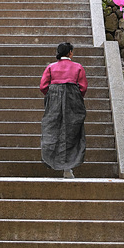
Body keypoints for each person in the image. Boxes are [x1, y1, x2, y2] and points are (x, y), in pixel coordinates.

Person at [39, 41, 87, 178]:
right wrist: (75, 96)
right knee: (72, 130)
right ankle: (68, 166)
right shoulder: (78, 67)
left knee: (52, 127)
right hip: (73, 97)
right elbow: (83, 87)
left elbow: (43, 86)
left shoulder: (51, 67)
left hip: (54, 96)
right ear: (70, 52)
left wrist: (53, 95)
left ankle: (52, 159)